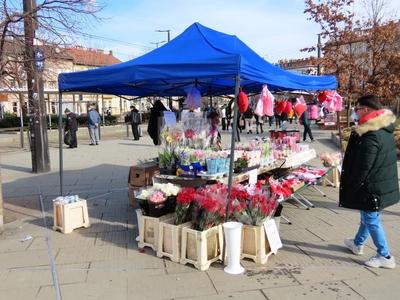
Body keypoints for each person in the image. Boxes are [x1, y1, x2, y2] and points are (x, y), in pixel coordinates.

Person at [340, 95, 399, 269]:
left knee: (371, 218)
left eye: (357, 109)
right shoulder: (383, 127)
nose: (355, 112)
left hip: (371, 186)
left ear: (367, 110)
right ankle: (357, 243)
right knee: (369, 215)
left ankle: (385, 256)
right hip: (380, 183)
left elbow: (363, 166)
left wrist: (352, 186)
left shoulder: (370, 134)